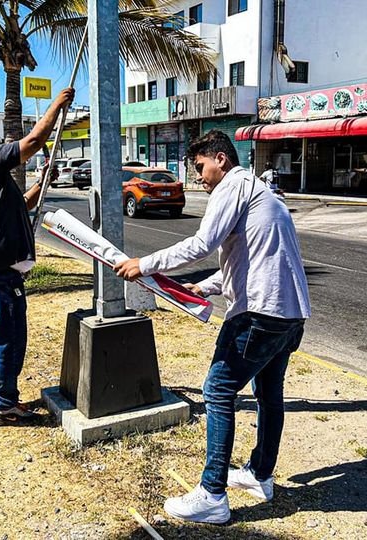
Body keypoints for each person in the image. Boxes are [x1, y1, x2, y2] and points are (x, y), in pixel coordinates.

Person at [114, 130, 311, 525]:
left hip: (259, 314)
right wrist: (201, 286)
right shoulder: (260, 193)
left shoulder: (233, 185)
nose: (198, 176)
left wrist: (145, 264)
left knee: (217, 390)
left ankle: (212, 495)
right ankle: (259, 475)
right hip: (291, 315)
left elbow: (202, 243)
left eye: (200, 166)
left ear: (220, 158)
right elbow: (251, 261)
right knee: (269, 393)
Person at [0, 88, 75, 427]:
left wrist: (42, 180)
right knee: (8, 340)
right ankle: (4, 405)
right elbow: (34, 141)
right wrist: (57, 105)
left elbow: (23, 204)